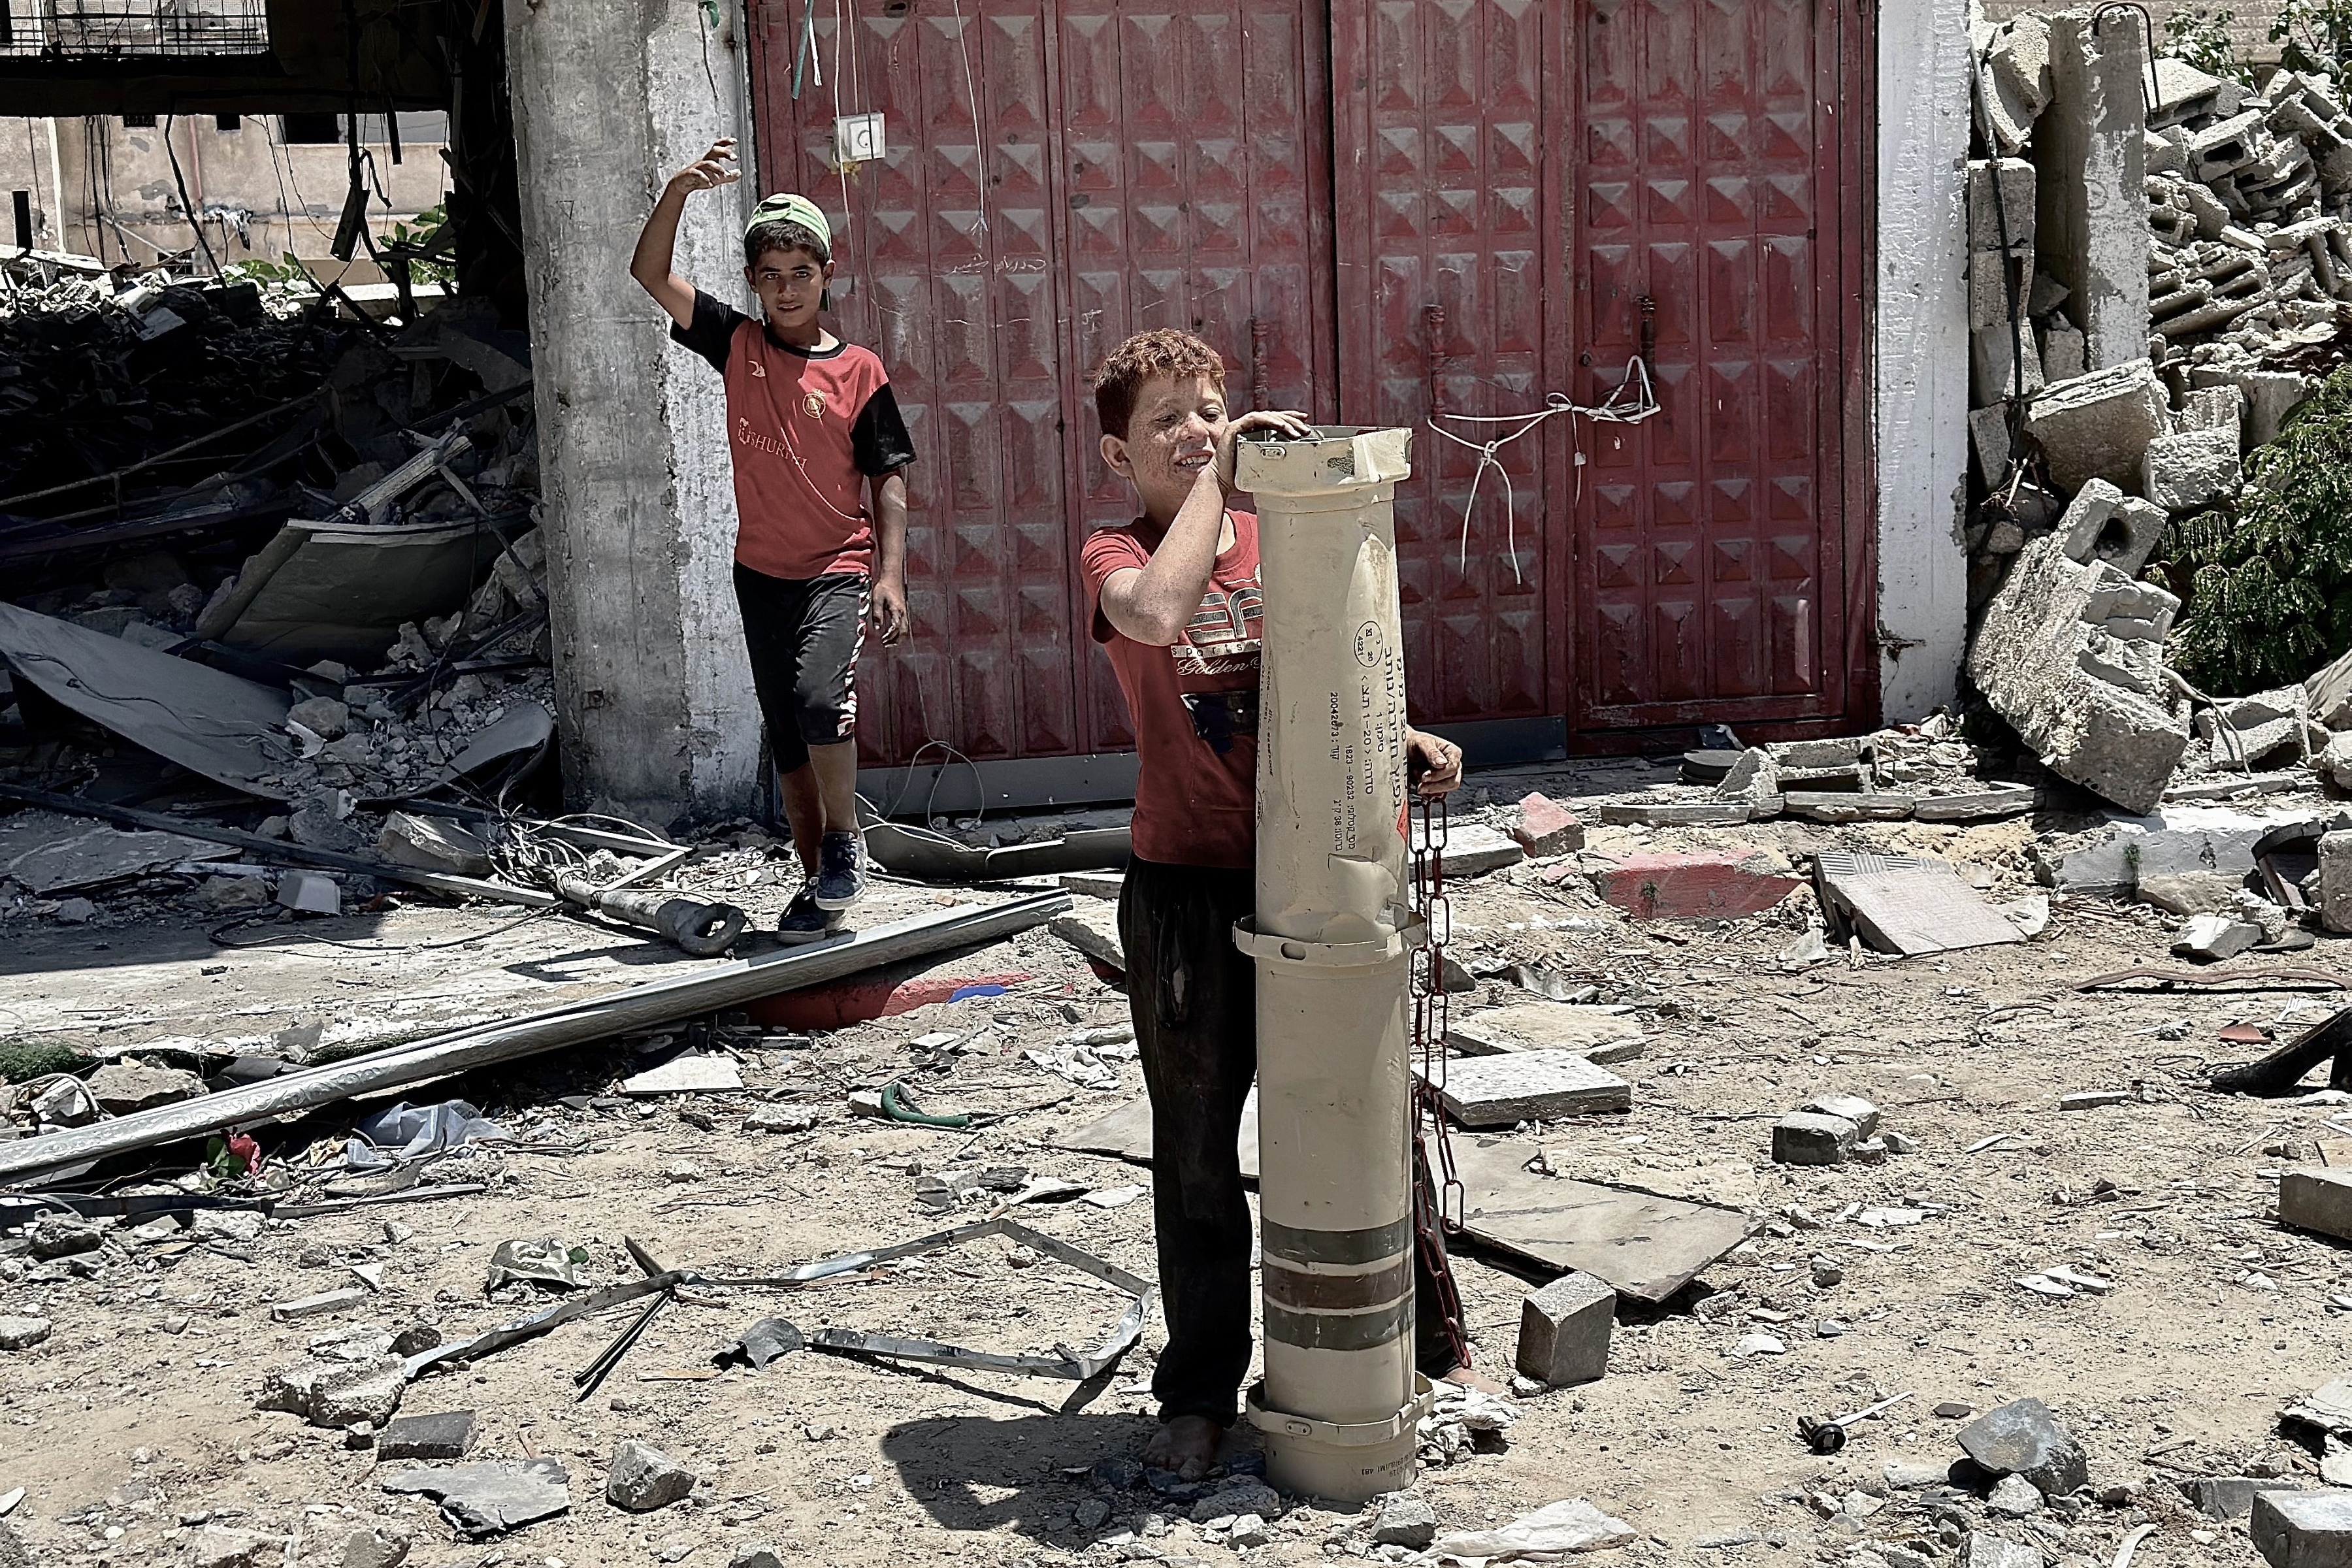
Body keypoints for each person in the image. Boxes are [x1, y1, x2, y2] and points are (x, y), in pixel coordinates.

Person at [1078, 328, 1486, 1481]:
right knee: (1198, 1149)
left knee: (1365, 1118)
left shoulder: (1286, 535)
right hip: (1189, 889)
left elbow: (1324, 676)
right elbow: (1157, 618)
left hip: (1316, 877)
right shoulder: (1116, 550)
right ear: (1118, 452)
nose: (1197, 431)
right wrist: (1220, 481)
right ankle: (1200, 1393)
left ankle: (1426, 1345)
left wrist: (1402, 740)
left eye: (1210, 409)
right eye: (1167, 419)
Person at [629, 139, 915, 941]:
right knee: (787, 744)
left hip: (836, 570)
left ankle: (845, 842)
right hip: (760, 577)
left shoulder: (859, 371)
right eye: (771, 275)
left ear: (826, 276)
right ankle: (818, 888)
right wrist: (678, 191)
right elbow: (649, 273)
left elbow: (890, 478)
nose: (787, 289)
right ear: (753, 282)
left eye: (801, 272)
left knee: (822, 703)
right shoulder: (737, 344)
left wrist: (890, 574)